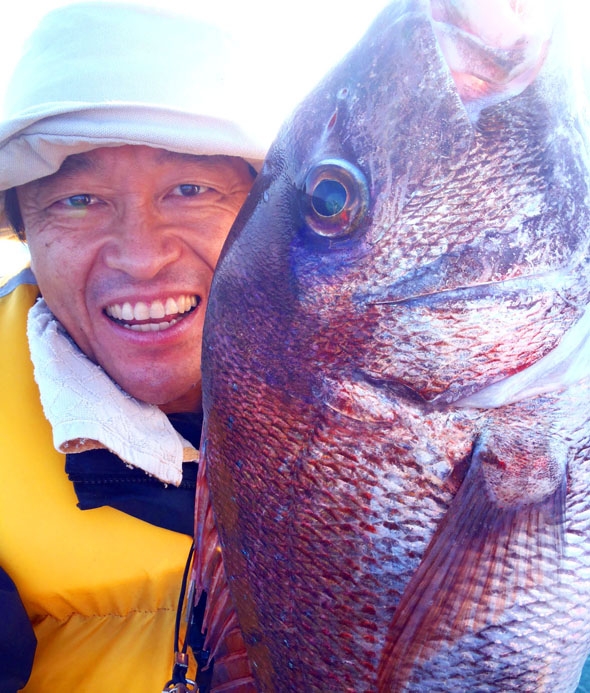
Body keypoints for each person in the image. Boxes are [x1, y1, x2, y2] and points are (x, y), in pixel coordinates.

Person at [0, 3, 267, 691]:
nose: (142, 256)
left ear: (265, 210)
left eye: (189, 189)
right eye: (77, 200)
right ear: (23, 225)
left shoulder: (425, 380)